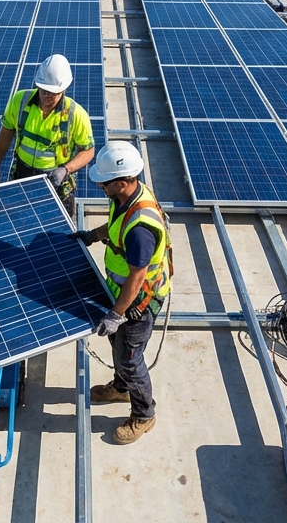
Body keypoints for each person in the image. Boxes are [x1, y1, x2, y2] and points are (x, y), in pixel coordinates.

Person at [72, 142, 172, 445]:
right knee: (118, 346)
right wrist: (92, 235)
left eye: (105, 182)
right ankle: (121, 387)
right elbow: (116, 226)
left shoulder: (142, 228)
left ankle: (144, 415)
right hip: (121, 294)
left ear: (123, 181)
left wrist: (117, 314)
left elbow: (137, 277)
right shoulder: (125, 197)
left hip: (138, 303)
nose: (100, 185)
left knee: (130, 359)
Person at [0, 55, 95, 209]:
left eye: (53, 93)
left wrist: (65, 169)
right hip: (22, 173)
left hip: (55, 179)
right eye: (43, 91)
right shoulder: (20, 101)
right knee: (18, 217)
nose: (47, 96)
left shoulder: (75, 115)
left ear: (64, 89)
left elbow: (88, 151)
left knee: (55, 226)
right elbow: (6, 133)